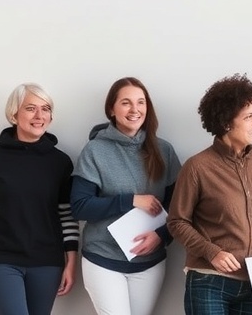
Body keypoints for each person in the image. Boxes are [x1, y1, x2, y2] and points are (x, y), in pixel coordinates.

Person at [167, 73, 252, 315]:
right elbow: (177, 221)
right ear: (226, 122)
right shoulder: (197, 166)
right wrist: (212, 252)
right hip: (210, 281)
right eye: (249, 116)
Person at [0, 83, 79, 315]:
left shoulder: (60, 162)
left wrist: (71, 264)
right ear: (14, 114)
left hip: (47, 261)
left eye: (45, 109)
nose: (39, 116)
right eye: (31, 108)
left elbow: (67, 216)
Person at [70, 77, 181, 315]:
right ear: (112, 109)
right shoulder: (94, 150)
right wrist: (130, 200)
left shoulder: (164, 151)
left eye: (141, 102)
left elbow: (179, 206)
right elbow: (79, 207)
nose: (135, 110)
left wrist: (161, 236)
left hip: (150, 261)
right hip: (103, 258)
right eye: (126, 103)